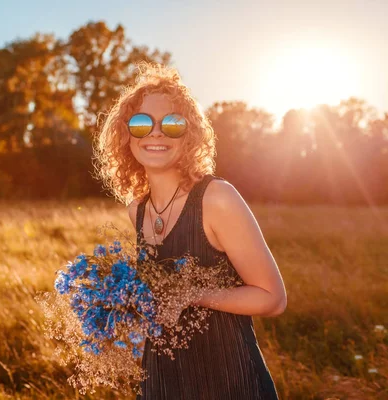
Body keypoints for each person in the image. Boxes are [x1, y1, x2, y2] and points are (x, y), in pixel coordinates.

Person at [93, 61, 286, 399]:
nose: (155, 133)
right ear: (126, 135)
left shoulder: (216, 198)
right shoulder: (136, 210)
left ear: (189, 134)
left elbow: (273, 298)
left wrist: (192, 295)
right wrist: (117, 307)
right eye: (140, 123)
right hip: (161, 383)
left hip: (229, 381)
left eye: (171, 123)